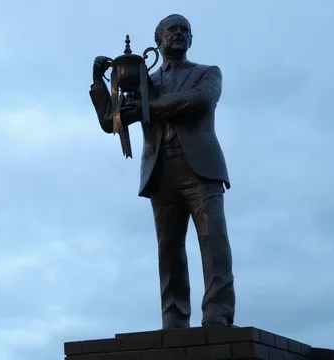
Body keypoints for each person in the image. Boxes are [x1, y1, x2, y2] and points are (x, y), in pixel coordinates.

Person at [88, 14, 236, 329]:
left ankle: (218, 314)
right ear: (158, 40)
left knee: (214, 243)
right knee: (169, 248)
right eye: (173, 29)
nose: (179, 34)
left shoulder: (207, 73)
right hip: (161, 172)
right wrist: (99, 81)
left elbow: (200, 101)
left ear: (191, 39)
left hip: (201, 169)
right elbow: (109, 122)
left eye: (185, 30)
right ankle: (174, 317)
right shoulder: (143, 82)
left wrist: (148, 107)